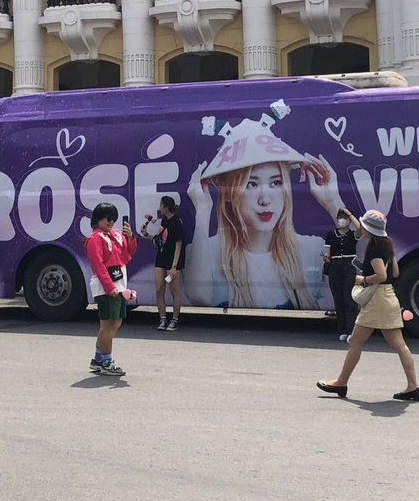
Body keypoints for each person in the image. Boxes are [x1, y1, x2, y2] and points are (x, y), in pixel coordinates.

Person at [185, 108, 343, 310]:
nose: (265, 199)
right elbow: (199, 297)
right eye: (251, 184)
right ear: (227, 192)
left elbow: (367, 272)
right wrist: (202, 212)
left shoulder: (312, 249)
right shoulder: (204, 251)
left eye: (276, 182)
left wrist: (334, 203)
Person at [316, 209, 419, 402]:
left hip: (377, 299)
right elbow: (395, 273)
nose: (361, 228)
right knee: (400, 345)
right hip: (389, 297)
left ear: (368, 229)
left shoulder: (373, 248)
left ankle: (341, 382)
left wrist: (362, 278)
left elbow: (380, 276)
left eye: (363, 225)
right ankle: (413, 387)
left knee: (355, 342)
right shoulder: (388, 245)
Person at [85, 202, 137, 377]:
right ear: (98, 218)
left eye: (113, 217)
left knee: (114, 323)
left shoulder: (115, 235)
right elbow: (98, 266)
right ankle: (106, 361)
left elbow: (127, 254)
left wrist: (130, 238)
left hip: (119, 284)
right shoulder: (94, 239)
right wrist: (110, 287)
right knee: (109, 324)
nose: (111, 221)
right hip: (106, 287)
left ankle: (99, 359)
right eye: (107, 217)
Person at [141, 195, 185, 331]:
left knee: (174, 290)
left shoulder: (176, 222)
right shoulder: (164, 221)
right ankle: (163, 319)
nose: (159, 208)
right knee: (159, 288)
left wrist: (174, 267)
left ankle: (175, 320)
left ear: (166, 207)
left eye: (161, 205)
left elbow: (179, 245)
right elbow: (160, 240)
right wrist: (147, 235)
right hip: (161, 258)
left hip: (172, 262)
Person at [322, 207, 363, 341]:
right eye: (340, 218)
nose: (342, 220)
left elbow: (359, 229)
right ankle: (342, 330)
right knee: (338, 299)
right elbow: (327, 250)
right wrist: (326, 257)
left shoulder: (352, 234)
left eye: (344, 218)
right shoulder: (331, 234)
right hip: (335, 265)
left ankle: (352, 331)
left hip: (349, 265)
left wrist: (349, 214)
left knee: (349, 299)